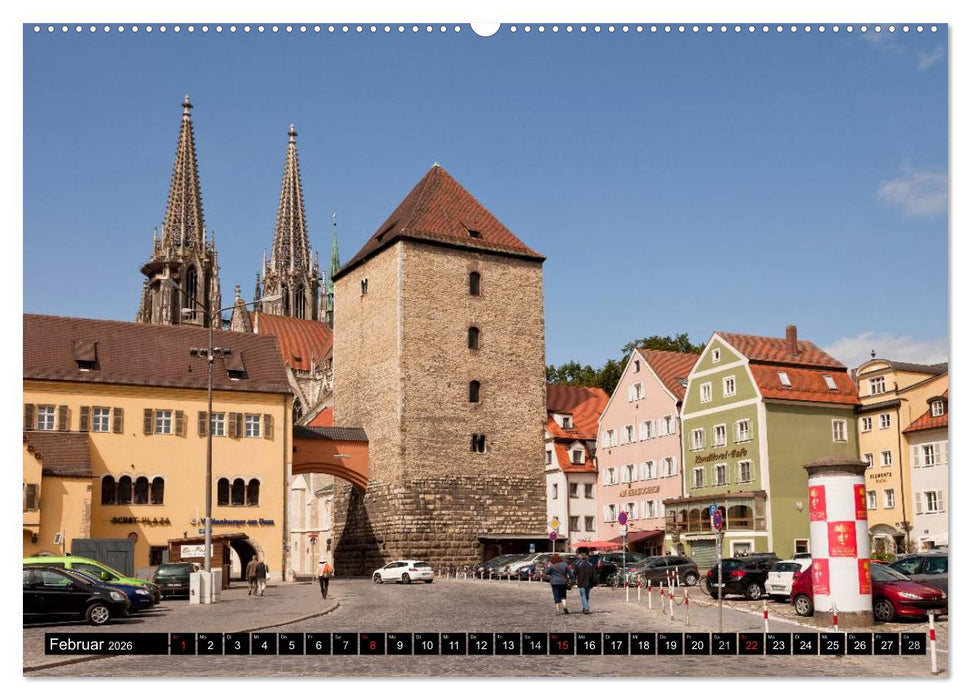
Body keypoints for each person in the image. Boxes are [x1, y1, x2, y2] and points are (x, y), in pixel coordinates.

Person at [573, 548, 597, 614]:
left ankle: (586, 608)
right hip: (589, 582)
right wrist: (595, 582)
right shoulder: (590, 564)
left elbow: (574, 574)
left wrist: (572, 581)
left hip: (581, 582)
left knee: (583, 595)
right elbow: (594, 574)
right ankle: (585, 607)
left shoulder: (578, 564)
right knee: (586, 595)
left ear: (581, 556)